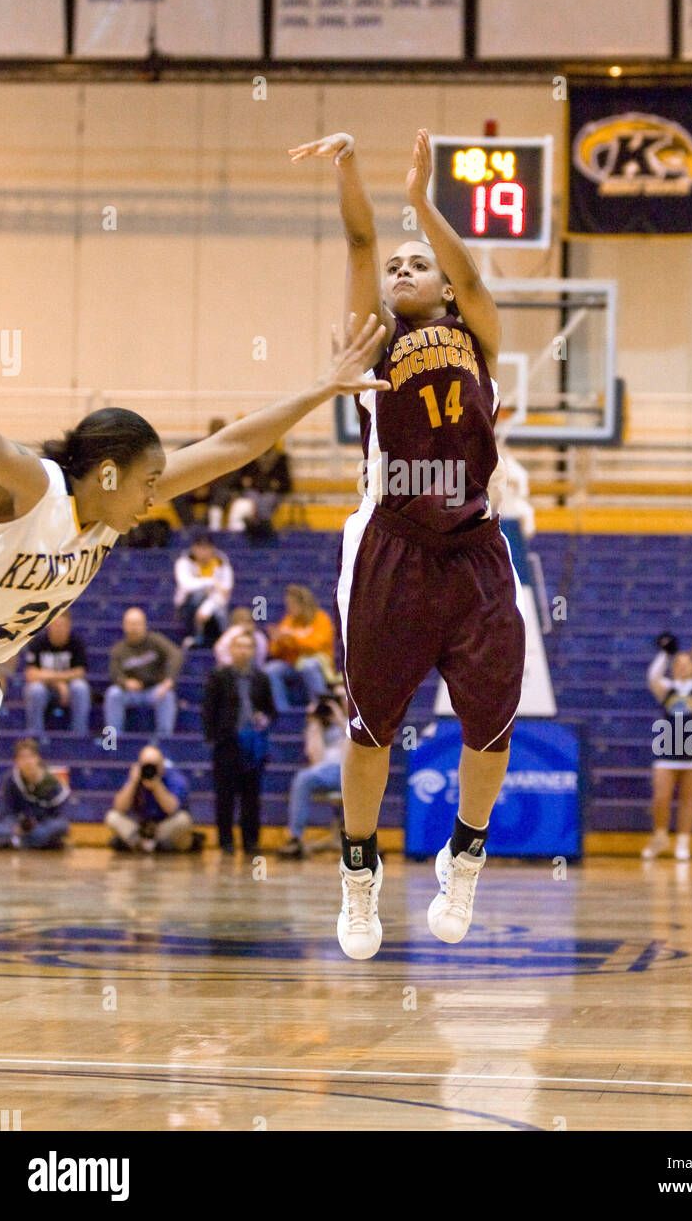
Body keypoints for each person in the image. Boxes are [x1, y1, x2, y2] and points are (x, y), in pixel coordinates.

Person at [0, 313, 388, 863]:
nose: (154, 500)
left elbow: (231, 446)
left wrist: (324, 387)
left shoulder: (108, 513)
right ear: (107, 474)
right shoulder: (35, 487)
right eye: (147, 483)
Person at [289, 127, 526, 960]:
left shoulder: (479, 334)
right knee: (369, 728)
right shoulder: (371, 338)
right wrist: (353, 163)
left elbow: (467, 272)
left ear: (444, 285)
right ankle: (360, 872)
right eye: (395, 266)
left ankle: (464, 850)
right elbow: (359, 238)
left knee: (491, 723)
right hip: (391, 541)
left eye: (415, 261)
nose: (401, 268)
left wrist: (424, 203)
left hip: (475, 546)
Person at [644, 629, 692, 861]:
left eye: (687, 663)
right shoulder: (666, 689)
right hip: (667, 749)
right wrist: (665, 653)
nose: (682, 666)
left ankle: (683, 842)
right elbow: (652, 677)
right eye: (678, 663)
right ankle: (660, 836)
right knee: (661, 796)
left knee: (688, 799)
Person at [202, 632, 275, 854]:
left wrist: (263, 718)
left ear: (254, 651)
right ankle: (226, 842)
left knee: (251, 796)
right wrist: (214, 738)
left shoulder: (261, 679)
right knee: (225, 796)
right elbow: (209, 710)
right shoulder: (219, 677)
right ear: (231, 650)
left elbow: (271, 709)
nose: (243, 651)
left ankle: (251, 841)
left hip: (252, 746)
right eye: (239, 646)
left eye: (247, 646)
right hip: (227, 744)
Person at [278, 686, 347, 859]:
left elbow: (356, 748)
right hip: (325, 771)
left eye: (341, 698)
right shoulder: (322, 725)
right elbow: (316, 759)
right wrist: (314, 724)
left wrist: (340, 719)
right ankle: (295, 838)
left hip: (349, 772)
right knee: (302, 778)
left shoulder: (355, 724)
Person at [104, 608, 182, 739]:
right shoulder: (118, 649)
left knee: (167, 695)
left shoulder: (156, 640)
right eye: (130, 624)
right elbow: (114, 674)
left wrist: (169, 681)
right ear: (124, 626)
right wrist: (125, 682)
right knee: (113, 694)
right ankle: (112, 740)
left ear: (144, 625)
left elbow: (176, 655)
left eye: (137, 623)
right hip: (131, 692)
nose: (134, 628)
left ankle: (164, 739)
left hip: (155, 690)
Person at [105, 744, 193, 853]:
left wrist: (157, 786)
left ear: (162, 765)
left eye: (154, 766)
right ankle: (144, 844)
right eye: (146, 766)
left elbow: (172, 809)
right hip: (140, 828)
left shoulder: (174, 778)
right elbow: (119, 807)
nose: (149, 770)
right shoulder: (134, 777)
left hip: (164, 827)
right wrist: (133, 782)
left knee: (183, 820)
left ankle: (149, 845)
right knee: (112, 817)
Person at [0, 738, 70, 850]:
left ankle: (15, 841)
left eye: (30, 756)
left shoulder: (53, 783)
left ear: (38, 758)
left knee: (59, 826)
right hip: (18, 824)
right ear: (16, 761)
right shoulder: (11, 781)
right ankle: (31, 842)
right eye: (22, 757)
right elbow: (8, 811)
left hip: (43, 824)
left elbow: (58, 816)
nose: (27, 761)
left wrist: (35, 823)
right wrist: (17, 826)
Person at [265, 585, 337, 712]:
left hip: (318, 664)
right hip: (294, 665)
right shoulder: (289, 620)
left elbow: (316, 647)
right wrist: (278, 640)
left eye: (292, 604)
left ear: (303, 603)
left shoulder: (321, 619)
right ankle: (283, 711)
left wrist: (292, 637)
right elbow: (274, 652)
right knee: (271, 669)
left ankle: (322, 707)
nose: (289, 607)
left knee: (308, 665)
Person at [22, 611, 92, 737]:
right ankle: (35, 736)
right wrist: (59, 683)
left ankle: (79, 735)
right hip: (45, 690)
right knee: (35, 690)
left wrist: (48, 676)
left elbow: (80, 672)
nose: (59, 629)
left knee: (80, 687)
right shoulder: (38, 643)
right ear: (49, 626)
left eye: (62, 625)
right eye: (55, 625)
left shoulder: (76, 643)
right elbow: (30, 674)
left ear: (69, 626)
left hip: (69, 689)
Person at [174, 533, 234, 648]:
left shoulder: (222, 563)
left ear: (212, 549)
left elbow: (225, 591)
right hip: (186, 607)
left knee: (220, 611)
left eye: (207, 548)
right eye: (200, 548)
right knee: (198, 594)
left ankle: (221, 641)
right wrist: (211, 582)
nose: (203, 552)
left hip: (213, 605)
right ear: (193, 548)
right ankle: (193, 635)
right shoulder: (184, 562)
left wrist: (207, 607)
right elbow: (186, 584)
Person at [226, 442, 292, 537]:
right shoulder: (250, 457)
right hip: (253, 490)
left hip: (272, 492)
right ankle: (260, 527)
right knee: (252, 499)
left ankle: (260, 526)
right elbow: (240, 479)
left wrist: (278, 485)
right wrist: (244, 482)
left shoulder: (280, 458)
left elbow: (286, 482)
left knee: (267, 500)